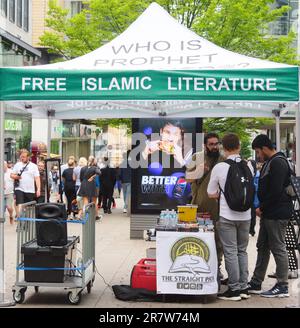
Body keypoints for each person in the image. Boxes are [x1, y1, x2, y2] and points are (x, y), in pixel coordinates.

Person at [207, 133, 254, 301]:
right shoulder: (249, 165)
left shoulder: (220, 167)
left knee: (230, 251)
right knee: (242, 251)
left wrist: (220, 193)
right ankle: (244, 287)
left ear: (223, 148)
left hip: (227, 215)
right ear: (239, 146)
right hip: (246, 215)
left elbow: (210, 193)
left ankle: (234, 290)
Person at [247, 134, 292, 298]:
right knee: (263, 246)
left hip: (276, 213)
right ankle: (256, 282)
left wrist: (261, 208)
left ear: (265, 148)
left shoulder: (278, 162)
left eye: (258, 152)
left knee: (278, 248)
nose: (258, 155)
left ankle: (282, 285)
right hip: (270, 213)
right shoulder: (270, 162)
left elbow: (276, 190)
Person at [186, 133, 224, 281]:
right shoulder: (197, 157)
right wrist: (200, 170)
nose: (214, 147)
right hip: (200, 205)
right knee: (200, 237)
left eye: (216, 144)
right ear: (205, 145)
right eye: (211, 144)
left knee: (218, 240)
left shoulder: (223, 159)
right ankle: (198, 266)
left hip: (219, 207)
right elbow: (187, 178)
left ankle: (217, 268)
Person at [11, 149, 40, 215]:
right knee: (20, 204)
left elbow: (37, 178)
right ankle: (20, 220)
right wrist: (16, 177)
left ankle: (26, 222)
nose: (22, 158)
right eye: (21, 157)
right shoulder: (17, 165)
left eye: (23, 157)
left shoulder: (34, 166)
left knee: (28, 208)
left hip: (30, 190)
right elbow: (11, 175)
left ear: (28, 157)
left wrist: (38, 189)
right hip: (19, 188)